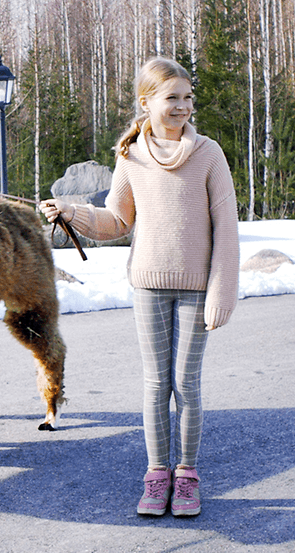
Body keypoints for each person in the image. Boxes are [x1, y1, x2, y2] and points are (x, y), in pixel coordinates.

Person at [40, 57, 239, 517]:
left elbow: (226, 228)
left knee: (185, 384)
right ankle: (156, 474)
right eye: (172, 98)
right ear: (146, 102)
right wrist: (71, 211)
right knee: (154, 384)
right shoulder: (131, 156)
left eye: (188, 97)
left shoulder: (209, 154)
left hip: (196, 289)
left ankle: (186, 475)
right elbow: (117, 220)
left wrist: (222, 292)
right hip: (148, 287)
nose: (183, 106)